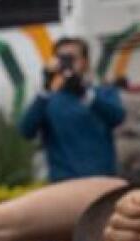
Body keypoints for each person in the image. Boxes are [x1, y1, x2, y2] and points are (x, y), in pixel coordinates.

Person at [18, 37, 125, 182]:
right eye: (61, 59)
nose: (66, 64)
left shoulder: (103, 92)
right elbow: (26, 131)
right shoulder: (48, 100)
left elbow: (117, 117)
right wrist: (46, 89)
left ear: (85, 62)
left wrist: (83, 93)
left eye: (71, 58)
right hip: (65, 181)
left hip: (102, 178)